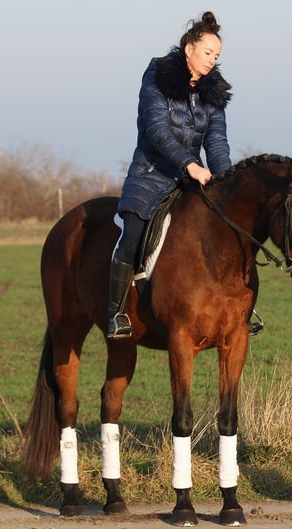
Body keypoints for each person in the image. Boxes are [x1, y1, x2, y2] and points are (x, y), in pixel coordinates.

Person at [107, 11, 233, 339]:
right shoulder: (157, 76)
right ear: (189, 48)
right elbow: (158, 130)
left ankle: (235, 306)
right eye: (208, 52)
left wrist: (226, 183)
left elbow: (217, 142)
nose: (212, 60)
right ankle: (116, 312)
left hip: (192, 179)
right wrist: (189, 163)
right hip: (151, 173)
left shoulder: (214, 93)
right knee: (133, 232)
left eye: (217, 56)